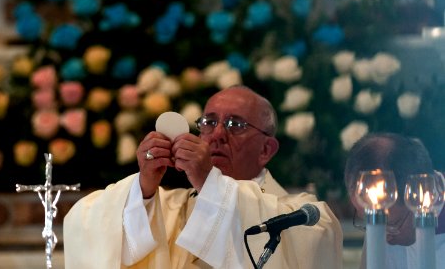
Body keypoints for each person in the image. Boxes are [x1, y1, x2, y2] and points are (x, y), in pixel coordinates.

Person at [63, 85, 343, 269]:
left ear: (266, 149)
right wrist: (144, 186)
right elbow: (85, 220)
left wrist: (209, 181)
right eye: (209, 122)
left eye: (236, 124)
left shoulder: (304, 217)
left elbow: (312, 246)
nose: (218, 135)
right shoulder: (166, 206)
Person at [344, 132, 445, 269]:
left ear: (418, 197)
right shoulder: (379, 215)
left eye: (391, 225)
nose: (384, 237)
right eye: (367, 221)